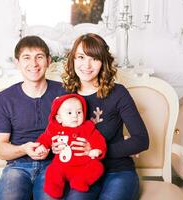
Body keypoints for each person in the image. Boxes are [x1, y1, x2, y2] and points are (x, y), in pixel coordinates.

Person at [53, 33, 150, 200]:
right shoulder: (65, 96)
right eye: (81, 57)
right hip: (81, 173)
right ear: (73, 60)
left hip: (118, 172)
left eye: (94, 59)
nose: (86, 65)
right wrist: (55, 147)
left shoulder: (118, 93)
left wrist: (96, 151)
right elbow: (55, 133)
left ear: (103, 63)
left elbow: (141, 140)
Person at [0, 35, 66, 200]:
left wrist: (61, 145)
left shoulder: (64, 93)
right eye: (27, 57)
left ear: (48, 60)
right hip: (17, 167)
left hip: (54, 165)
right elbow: (1, 149)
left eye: (39, 57)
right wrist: (23, 149)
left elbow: (77, 130)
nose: (33, 64)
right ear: (17, 62)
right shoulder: (4, 99)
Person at [35, 94, 106, 198]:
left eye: (79, 112)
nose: (75, 116)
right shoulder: (54, 129)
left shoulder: (87, 127)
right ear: (59, 118)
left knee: (98, 167)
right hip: (61, 166)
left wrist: (97, 150)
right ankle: (54, 188)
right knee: (52, 170)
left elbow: (99, 140)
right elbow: (45, 138)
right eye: (69, 113)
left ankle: (81, 181)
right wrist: (41, 146)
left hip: (84, 166)